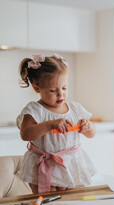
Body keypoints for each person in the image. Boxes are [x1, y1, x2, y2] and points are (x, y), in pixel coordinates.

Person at [16, 54, 97, 194]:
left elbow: (92, 134)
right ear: (37, 88)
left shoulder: (75, 108)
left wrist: (88, 126)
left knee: (71, 201)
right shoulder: (35, 110)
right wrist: (50, 125)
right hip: (45, 166)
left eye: (64, 88)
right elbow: (25, 134)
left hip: (72, 164)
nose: (60, 94)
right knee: (48, 202)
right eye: (53, 90)